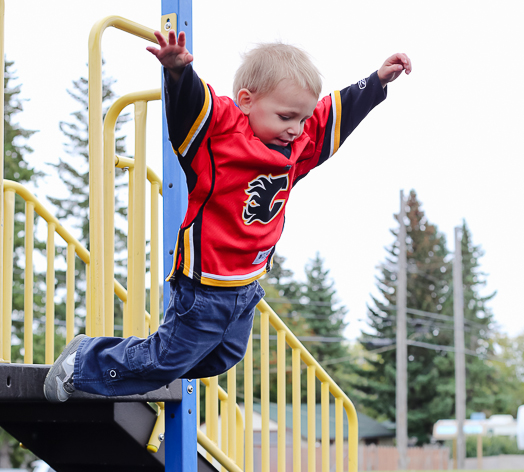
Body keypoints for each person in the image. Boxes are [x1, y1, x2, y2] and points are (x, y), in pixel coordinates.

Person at [44, 31, 411, 402]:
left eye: (301, 119)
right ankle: (83, 362)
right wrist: (177, 73)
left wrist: (376, 81)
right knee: (167, 359)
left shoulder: (296, 147)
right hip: (204, 285)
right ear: (247, 101)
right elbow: (191, 107)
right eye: (286, 116)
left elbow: (335, 113)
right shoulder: (219, 136)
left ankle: (137, 364)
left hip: (247, 285)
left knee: (223, 357)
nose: (295, 128)